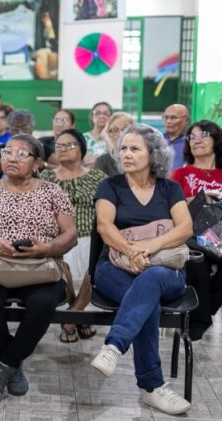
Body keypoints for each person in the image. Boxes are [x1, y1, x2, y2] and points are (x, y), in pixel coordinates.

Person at [0, 134, 77, 403]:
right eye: (8, 152)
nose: (12, 158)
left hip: (41, 266)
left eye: (22, 154)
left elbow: (70, 235)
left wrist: (46, 249)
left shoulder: (53, 192)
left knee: (45, 301)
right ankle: (12, 362)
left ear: (37, 162)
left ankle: (4, 364)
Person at [90, 124, 193, 415]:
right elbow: (105, 227)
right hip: (115, 266)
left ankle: (113, 347)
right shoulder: (110, 186)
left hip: (164, 269)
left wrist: (149, 248)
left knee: (152, 279)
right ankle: (153, 387)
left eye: (135, 148)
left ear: (154, 154)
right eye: (123, 148)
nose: (126, 154)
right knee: (146, 302)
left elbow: (185, 228)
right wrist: (131, 250)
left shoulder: (169, 188)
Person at [39, 130, 106, 342]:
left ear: (82, 149)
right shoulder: (45, 178)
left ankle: (72, 316)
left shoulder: (98, 177)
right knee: (61, 263)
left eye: (70, 145)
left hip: (91, 237)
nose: (63, 149)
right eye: (59, 146)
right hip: (56, 239)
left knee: (94, 263)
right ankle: (78, 315)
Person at [171, 120, 222, 341]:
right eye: (192, 136)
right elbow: (169, 204)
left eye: (204, 135)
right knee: (195, 259)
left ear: (216, 140)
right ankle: (199, 320)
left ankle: (202, 314)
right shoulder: (181, 174)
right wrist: (199, 198)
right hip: (191, 236)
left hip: (220, 237)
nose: (197, 140)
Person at [0, 109, 35, 178]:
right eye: (15, 129)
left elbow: (54, 170)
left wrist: (43, 164)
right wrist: (3, 161)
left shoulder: (40, 149)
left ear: (32, 128)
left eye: (24, 128)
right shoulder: (1, 149)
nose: (20, 132)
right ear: (9, 130)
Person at [94, 112, 134, 177]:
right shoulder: (102, 161)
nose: (121, 134)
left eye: (125, 129)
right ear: (110, 134)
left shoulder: (142, 155)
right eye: (115, 130)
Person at [83, 102, 112, 167]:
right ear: (92, 117)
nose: (102, 116)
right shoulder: (82, 138)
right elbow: (82, 161)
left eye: (106, 114)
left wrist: (106, 136)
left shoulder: (113, 139)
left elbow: (116, 161)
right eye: (98, 113)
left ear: (111, 118)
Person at [163, 104, 190, 171]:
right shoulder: (156, 141)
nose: (168, 121)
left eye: (173, 118)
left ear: (186, 120)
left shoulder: (192, 143)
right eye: (166, 117)